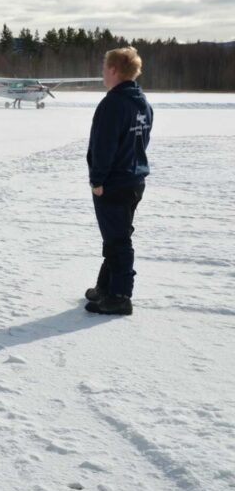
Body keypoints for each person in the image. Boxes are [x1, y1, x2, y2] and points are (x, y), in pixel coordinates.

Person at [85, 46, 153, 316]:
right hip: (134, 179)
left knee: (118, 240)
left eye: (104, 67)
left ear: (114, 70)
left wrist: (97, 179)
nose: (102, 72)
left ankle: (121, 295)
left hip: (114, 182)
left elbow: (104, 146)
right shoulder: (141, 101)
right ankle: (107, 287)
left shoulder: (113, 103)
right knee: (115, 236)